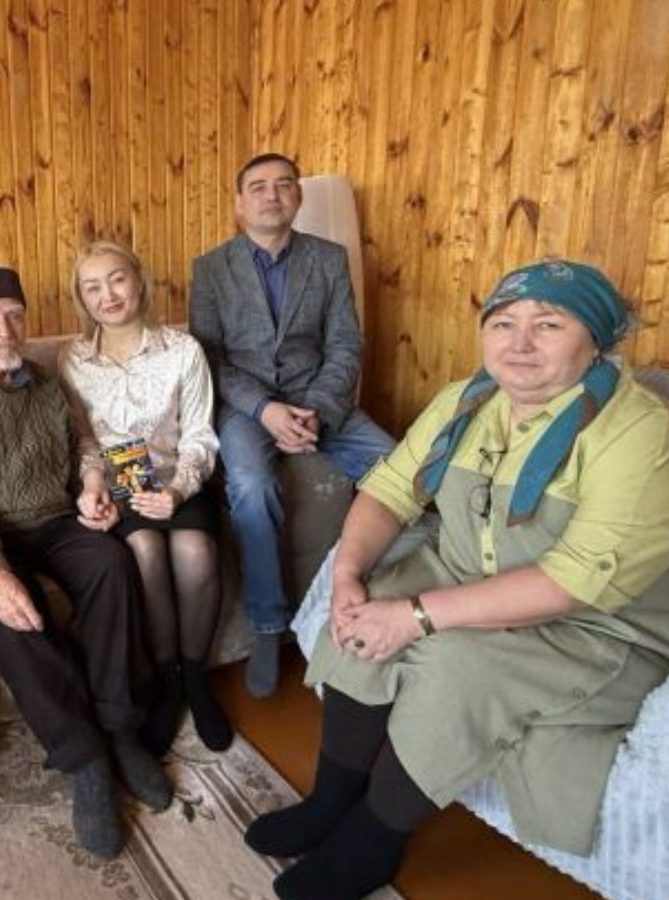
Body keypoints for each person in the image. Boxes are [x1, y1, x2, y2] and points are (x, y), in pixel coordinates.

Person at [244, 261, 669, 900]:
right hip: (475, 574)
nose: (519, 342)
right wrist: (347, 575)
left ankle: (373, 840)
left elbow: (570, 584)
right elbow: (391, 490)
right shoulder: (468, 400)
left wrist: (417, 617)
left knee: (458, 664)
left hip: (611, 624)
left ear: (596, 342)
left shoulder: (641, 433)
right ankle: (331, 800)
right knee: (367, 604)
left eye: (549, 325)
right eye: (502, 323)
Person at [0, 266, 170, 861]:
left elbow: (85, 442)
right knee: (3, 614)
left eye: (14, 316)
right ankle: (85, 757)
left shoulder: (45, 380)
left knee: (112, 563)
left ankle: (119, 726)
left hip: (56, 519)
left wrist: (93, 484)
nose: (4, 330)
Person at [190, 152, 396, 698]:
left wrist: (319, 409)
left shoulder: (328, 259)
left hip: (317, 399)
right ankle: (267, 626)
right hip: (246, 407)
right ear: (239, 203)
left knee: (399, 469)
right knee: (251, 485)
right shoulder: (210, 268)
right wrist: (265, 410)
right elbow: (208, 357)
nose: (272, 195)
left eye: (284, 185)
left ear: (298, 198)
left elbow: (346, 344)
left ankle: (377, 592)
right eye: (258, 186)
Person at [58, 241, 232, 755]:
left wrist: (178, 489)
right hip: (122, 484)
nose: (107, 295)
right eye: (92, 287)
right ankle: (165, 682)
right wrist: (94, 484)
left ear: (138, 281)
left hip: (181, 476)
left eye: (117, 279)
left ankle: (196, 680)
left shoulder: (183, 350)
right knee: (145, 550)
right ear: (81, 298)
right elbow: (84, 441)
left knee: (195, 550)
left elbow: (199, 435)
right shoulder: (73, 360)